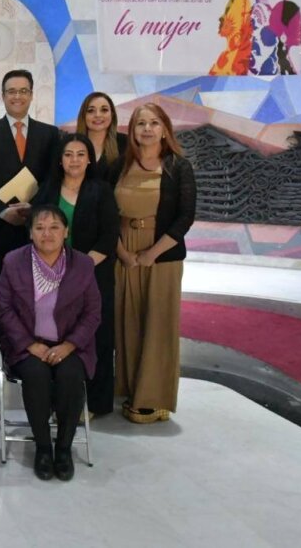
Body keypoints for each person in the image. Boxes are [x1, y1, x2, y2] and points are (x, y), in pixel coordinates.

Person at [0, 205, 100, 482]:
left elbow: (92, 313)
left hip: (70, 345)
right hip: (27, 345)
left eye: (54, 227)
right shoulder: (13, 262)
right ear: (30, 233)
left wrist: (69, 346)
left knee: (70, 375)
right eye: (39, 228)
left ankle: (63, 448)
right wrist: (30, 345)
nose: (47, 234)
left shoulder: (83, 265)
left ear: (66, 232)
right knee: (36, 375)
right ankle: (43, 447)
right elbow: (3, 308)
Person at [110, 103, 196, 424]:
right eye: (140, 123)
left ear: (164, 129)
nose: (147, 129)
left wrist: (151, 253)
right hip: (125, 253)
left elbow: (185, 217)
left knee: (159, 324)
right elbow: (106, 212)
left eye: (154, 123)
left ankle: (153, 399)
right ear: (132, 131)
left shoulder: (178, 167)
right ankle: (131, 389)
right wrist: (122, 252)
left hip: (162, 254)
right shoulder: (120, 166)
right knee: (128, 323)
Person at [0, 69, 61, 340]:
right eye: (11, 91)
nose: (17, 96)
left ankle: (31, 343)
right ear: (3, 96)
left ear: (31, 95)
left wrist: (33, 210)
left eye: (23, 91)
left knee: (33, 291)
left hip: (35, 228)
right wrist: (2, 210)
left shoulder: (49, 134)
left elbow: (52, 178)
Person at [37, 134, 119, 416]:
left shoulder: (102, 190)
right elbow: (36, 232)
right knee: (56, 336)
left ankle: (96, 403)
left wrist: (79, 268)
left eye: (80, 154)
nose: (74, 160)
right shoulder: (47, 190)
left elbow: (109, 236)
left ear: (89, 160)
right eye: (68, 154)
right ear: (60, 160)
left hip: (93, 275)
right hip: (51, 277)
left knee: (97, 337)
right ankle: (56, 401)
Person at [75, 91, 126, 184]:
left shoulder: (126, 143)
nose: (98, 115)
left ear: (112, 114)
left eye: (104, 110)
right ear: (83, 116)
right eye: (91, 111)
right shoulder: (71, 144)